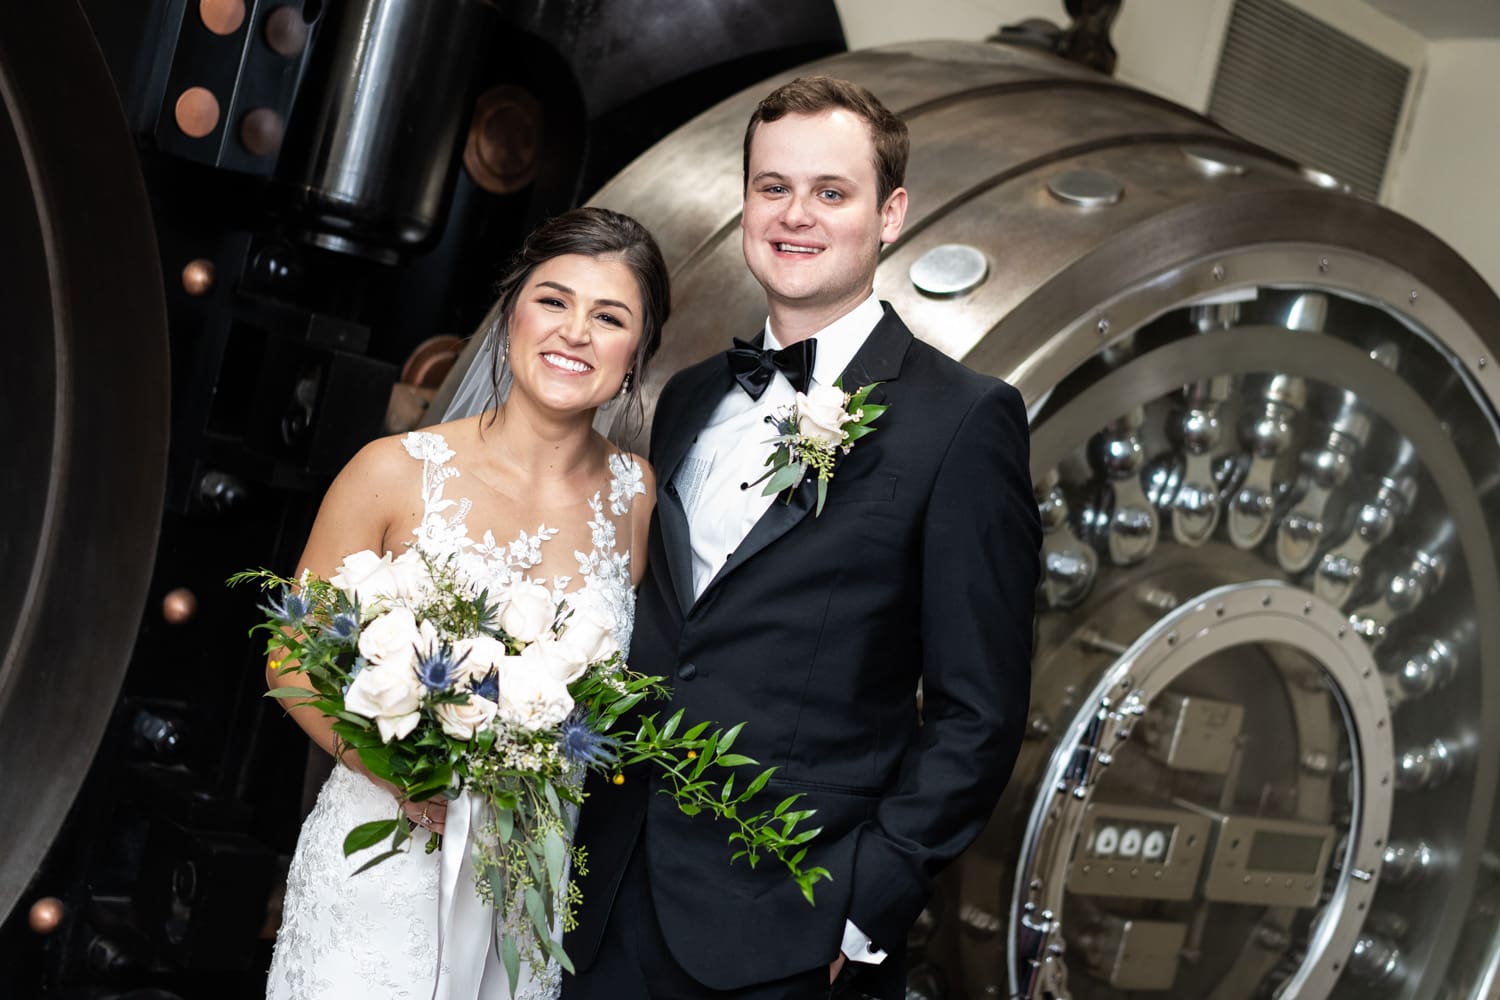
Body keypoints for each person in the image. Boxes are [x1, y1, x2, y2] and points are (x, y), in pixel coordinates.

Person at [562, 77, 1041, 1000]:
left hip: (790, 926)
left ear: (889, 214)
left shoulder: (965, 420)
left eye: (832, 192)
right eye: (773, 187)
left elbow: (978, 709)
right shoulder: (693, 393)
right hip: (610, 888)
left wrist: (870, 897)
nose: (796, 216)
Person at [264, 206, 670, 1000]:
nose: (575, 332)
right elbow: (288, 660)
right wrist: (399, 779)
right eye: (554, 300)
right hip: (377, 876)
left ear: (636, 355)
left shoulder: (637, 497)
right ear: (512, 313)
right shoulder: (393, 471)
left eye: (610, 316)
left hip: (521, 889)